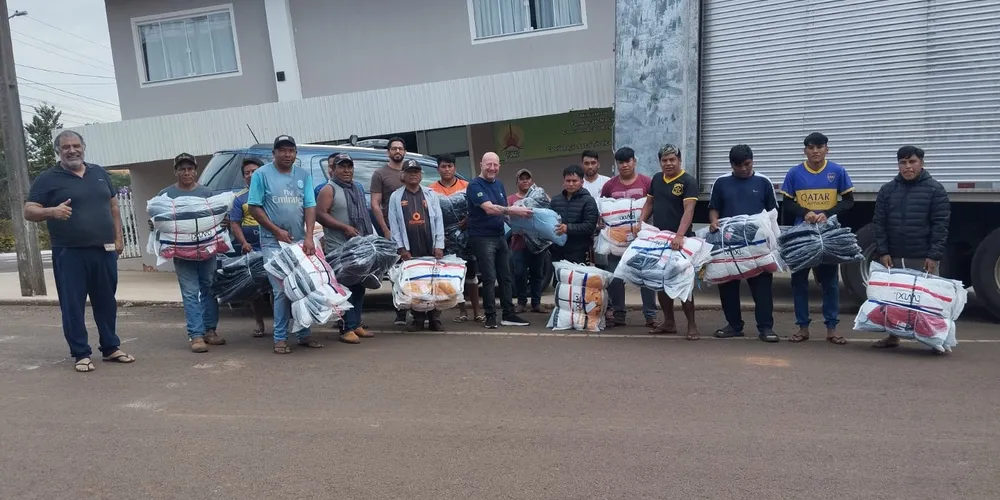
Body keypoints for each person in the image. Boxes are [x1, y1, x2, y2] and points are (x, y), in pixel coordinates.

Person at [24, 130, 135, 372]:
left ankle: (110, 347)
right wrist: (51, 212)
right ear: (58, 151)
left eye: (76, 145)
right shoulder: (47, 178)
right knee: (73, 304)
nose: (72, 150)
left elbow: (113, 206)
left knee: (106, 301)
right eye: (66, 147)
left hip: (104, 250)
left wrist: (119, 238)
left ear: (83, 147)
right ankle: (81, 353)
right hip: (69, 252)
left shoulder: (99, 173)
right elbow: (29, 210)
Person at [870, 146, 951, 350]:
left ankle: (935, 340)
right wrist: (884, 251)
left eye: (912, 162)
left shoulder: (935, 190)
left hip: (922, 256)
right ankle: (893, 336)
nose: (908, 167)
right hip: (895, 255)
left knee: (929, 301)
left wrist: (933, 255)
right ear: (898, 165)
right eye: (903, 163)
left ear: (921, 163)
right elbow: (879, 223)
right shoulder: (887, 190)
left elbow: (941, 225)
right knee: (894, 299)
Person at [248, 135, 322, 354]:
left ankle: (304, 333)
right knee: (281, 290)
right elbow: (254, 207)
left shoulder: (303, 175)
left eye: (291, 150)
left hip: (299, 242)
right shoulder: (261, 175)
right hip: (272, 242)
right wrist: (276, 231)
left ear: (295, 153)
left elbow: (310, 206)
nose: (287, 154)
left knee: (304, 286)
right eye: (282, 150)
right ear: (274, 153)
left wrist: (309, 237)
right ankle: (280, 337)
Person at [779, 132, 855, 346]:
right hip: (801, 237)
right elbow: (787, 203)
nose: (815, 151)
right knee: (799, 283)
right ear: (805, 150)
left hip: (827, 236)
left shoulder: (837, 171)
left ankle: (832, 328)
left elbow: (849, 201)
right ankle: (802, 327)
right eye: (811, 147)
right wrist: (805, 212)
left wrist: (828, 213)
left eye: (819, 147)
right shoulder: (794, 173)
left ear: (826, 149)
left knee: (830, 283)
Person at [708, 145, 779, 343]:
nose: (744, 169)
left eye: (747, 164)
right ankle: (734, 325)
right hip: (729, 244)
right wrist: (714, 221)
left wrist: (772, 241)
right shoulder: (721, 182)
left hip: (757, 245)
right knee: (728, 284)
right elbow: (714, 208)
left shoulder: (763, 182)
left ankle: (766, 328)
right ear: (731, 165)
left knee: (762, 286)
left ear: (752, 161)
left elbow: (772, 214)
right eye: (738, 166)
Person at [156, 153, 224, 353]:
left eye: (190, 168)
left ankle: (210, 331)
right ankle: (196, 335)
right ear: (176, 171)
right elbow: (157, 218)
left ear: (195, 171)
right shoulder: (166, 195)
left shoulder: (207, 193)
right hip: (182, 254)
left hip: (207, 251)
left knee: (210, 289)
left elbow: (217, 217)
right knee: (190, 292)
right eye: (182, 169)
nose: (186, 172)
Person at [636, 144, 700, 340]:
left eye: (672, 159)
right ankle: (669, 322)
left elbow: (688, 210)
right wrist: (641, 222)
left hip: (682, 241)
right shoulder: (656, 179)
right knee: (660, 282)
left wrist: (679, 235)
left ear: (679, 160)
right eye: (665, 160)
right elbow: (650, 203)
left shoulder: (688, 181)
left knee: (683, 283)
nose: (669, 163)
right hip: (659, 239)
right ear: (660, 162)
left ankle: (691, 325)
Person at [466, 152, 534, 329]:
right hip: (481, 237)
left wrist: (522, 224)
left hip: (500, 235)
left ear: (499, 166)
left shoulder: (499, 185)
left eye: (495, 165)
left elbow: (504, 214)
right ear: (481, 164)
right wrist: (514, 211)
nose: (492, 168)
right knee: (489, 277)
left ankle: (508, 314)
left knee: (506, 277)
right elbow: (489, 209)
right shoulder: (474, 185)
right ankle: (490, 316)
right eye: (488, 164)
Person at [316, 152, 376, 344]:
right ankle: (345, 328)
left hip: (358, 245)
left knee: (359, 287)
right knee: (344, 289)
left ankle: (356, 324)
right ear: (333, 169)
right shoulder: (329, 189)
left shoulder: (356, 188)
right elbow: (320, 215)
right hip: (339, 248)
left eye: (349, 166)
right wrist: (344, 228)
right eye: (341, 166)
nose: (346, 170)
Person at [600, 147, 658, 328]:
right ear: (617, 164)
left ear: (635, 161)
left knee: (646, 277)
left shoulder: (647, 183)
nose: (624, 165)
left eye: (628, 161)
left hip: (642, 240)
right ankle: (619, 314)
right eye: (621, 162)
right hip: (616, 242)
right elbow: (603, 209)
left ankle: (650, 315)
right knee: (616, 278)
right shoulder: (610, 185)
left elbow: (655, 206)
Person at [388, 160, 446, 332]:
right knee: (415, 284)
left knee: (434, 282)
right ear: (403, 175)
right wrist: (401, 248)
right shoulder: (396, 197)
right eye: (409, 171)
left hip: (430, 246)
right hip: (410, 248)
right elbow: (394, 224)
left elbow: (438, 220)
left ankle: (435, 318)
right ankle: (418, 319)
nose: (413, 174)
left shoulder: (430, 194)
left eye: (416, 171)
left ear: (421, 175)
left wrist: (439, 244)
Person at [429, 154, 483, 323]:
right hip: (446, 239)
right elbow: (430, 217)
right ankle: (462, 312)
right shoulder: (430, 190)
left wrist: (469, 220)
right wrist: (438, 237)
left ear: (455, 168)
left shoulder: (467, 186)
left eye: (450, 166)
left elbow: (478, 209)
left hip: (467, 237)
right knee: (454, 277)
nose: (447, 169)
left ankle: (477, 312)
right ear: (438, 169)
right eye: (443, 166)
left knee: (472, 276)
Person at [229, 156, 270, 338]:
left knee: (278, 288)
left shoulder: (272, 194)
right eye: (247, 173)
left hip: (273, 246)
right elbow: (235, 224)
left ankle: (283, 326)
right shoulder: (239, 199)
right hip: (251, 249)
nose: (251, 175)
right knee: (256, 291)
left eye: (254, 172)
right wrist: (244, 243)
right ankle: (259, 324)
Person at [371, 136, 410, 326]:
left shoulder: (412, 170)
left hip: (414, 228)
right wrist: (385, 229)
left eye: (400, 149)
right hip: (392, 231)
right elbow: (375, 204)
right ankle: (400, 311)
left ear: (404, 151)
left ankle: (420, 309)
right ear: (388, 152)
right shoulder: (380, 174)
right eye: (394, 148)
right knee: (396, 271)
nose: (397, 151)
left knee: (414, 269)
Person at [508, 169, 546, 314]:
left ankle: (536, 303)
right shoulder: (510, 199)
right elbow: (507, 218)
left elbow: (547, 213)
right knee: (519, 273)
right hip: (519, 243)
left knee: (537, 273)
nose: (525, 181)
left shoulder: (540, 196)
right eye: (521, 179)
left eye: (527, 178)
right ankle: (521, 302)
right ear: (517, 182)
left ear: (532, 181)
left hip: (538, 243)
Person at [549, 164, 599, 264]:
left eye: (574, 181)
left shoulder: (588, 201)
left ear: (582, 182)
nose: (571, 184)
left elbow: (590, 226)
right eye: (568, 181)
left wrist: (568, 228)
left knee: (577, 279)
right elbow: (549, 222)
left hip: (579, 252)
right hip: (557, 252)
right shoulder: (555, 200)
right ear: (564, 182)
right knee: (557, 279)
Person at [582, 150, 610, 267]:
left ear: (598, 164)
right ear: (582, 165)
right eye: (586, 163)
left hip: (604, 233)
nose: (590, 166)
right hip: (584, 233)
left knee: (604, 268)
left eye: (593, 163)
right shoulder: (577, 184)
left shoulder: (608, 182)